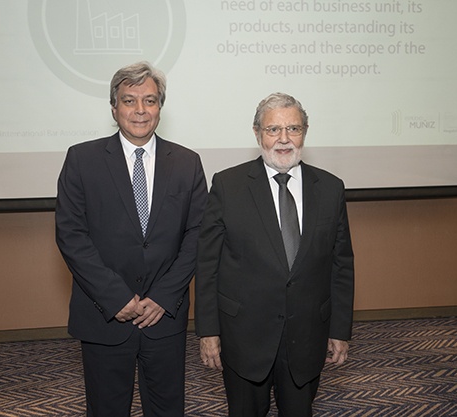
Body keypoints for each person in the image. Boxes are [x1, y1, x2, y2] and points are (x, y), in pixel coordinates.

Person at [55, 61, 208, 417]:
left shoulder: (187, 163)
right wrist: (116, 297)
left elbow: (198, 235)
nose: (140, 110)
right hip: (104, 316)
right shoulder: (82, 159)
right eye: (129, 100)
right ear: (114, 108)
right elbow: (71, 235)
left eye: (149, 100)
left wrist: (164, 297)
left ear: (160, 108)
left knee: (167, 409)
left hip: (164, 317)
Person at [195, 92, 355, 417]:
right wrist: (208, 331)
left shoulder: (330, 188)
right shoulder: (228, 185)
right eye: (273, 130)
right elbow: (207, 265)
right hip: (244, 339)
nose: (284, 139)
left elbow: (341, 265)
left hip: (306, 338)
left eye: (293, 129)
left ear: (305, 132)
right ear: (257, 134)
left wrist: (339, 330)